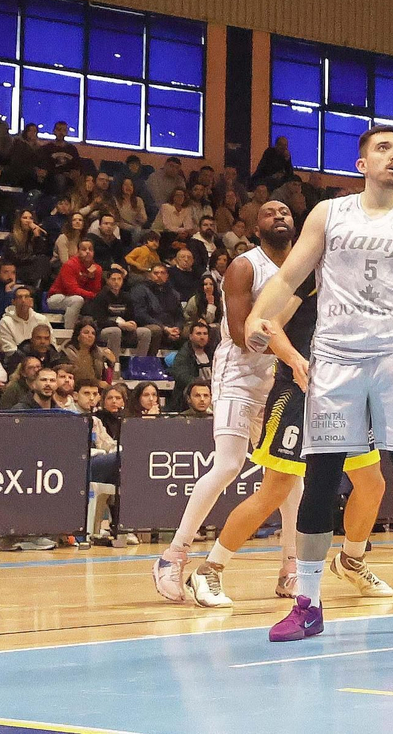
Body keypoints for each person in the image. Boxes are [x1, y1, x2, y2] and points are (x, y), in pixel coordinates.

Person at [246, 125, 393, 640]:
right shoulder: (329, 213)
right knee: (320, 478)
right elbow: (287, 278)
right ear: (362, 163)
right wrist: (259, 317)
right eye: (383, 148)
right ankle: (308, 602)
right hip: (337, 360)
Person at [152, 203, 295, 603]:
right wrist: (293, 352)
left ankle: (290, 567)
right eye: (269, 212)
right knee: (229, 463)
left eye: (285, 210)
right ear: (256, 227)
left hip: (281, 378)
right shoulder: (244, 266)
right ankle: (173, 555)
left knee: (289, 474)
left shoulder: (304, 266)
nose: (279, 215)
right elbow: (238, 331)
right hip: (240, 377)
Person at [84, 267, 153, 356]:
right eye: (113, 279)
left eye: (119, 279)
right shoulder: (101, 296)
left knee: (145, 332)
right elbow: (100, 321)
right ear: (108, 280)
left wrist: (132, 323)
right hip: (104, 330)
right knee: (116, 331)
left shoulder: (126, 297)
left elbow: (131, 316)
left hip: (124, 329)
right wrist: (119, 325)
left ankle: (139, 363)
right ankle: (114, 363)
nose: (116, 282)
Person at [49, 239, 104, 330]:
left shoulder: (97, 268)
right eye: (84, 249)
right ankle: (69, 331)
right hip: (58, 297)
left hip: (82, 299)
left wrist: (92, 278)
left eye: (90, 249)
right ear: (78, 252)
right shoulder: (70, 265)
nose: (87, 252)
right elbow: (72, 290)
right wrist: (93, 295)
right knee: (77, 299)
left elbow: (95, 291)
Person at [131, 264, 183, 352]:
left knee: (192, 332)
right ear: (149, 275)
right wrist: (164, 328)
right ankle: (150, 361)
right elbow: (140, 315)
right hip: (150, 325)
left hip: (171, 327)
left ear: (167, 276)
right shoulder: (140, 290)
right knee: (156, 330)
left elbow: (179, 315)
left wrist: (178, 328)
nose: (159, 275)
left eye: (162, 273)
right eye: (156, 273)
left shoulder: (173, 293)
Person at [62, 320, 116, 385]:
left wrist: (111, 362)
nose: (90, 336)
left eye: (93, 333)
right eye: (86, 332)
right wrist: (97, 383)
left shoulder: (98, 353)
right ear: (78, 336)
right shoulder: (67, 353)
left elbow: (106, 376)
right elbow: (78, 377)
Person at [168, 321, 216, 391]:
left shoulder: (213, 353)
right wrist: (204, 384)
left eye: (205, 334)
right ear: (190, 336)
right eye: (198, 334)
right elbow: (183, 377)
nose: (202, 337)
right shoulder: (183, 355)